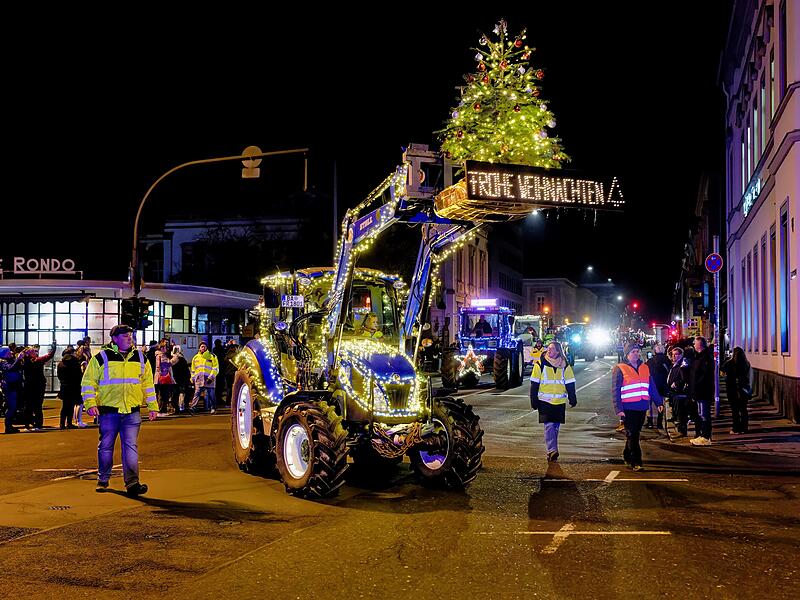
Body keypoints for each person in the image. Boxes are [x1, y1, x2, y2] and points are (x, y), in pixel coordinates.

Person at [81, 324, 158, 496]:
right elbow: (88, 382)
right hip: (109, 411)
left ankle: (132, 484)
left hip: (132, 410)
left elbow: (147, 384)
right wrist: (91, 404)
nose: (129, 338)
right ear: (114, 339)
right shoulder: (101, 357)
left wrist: (153, 406)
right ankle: (103, 479)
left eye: (130, 335)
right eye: (125, 336)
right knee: (106, 447)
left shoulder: (140, 357)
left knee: (131, 447)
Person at [611, 342, 664, 471]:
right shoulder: (620, 368)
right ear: (627, 355)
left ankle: (627, 455)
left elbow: (651, 386)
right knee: (633, 433)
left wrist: (658, 402)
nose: (636, 354)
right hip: (628, 407)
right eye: (633, 352)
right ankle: (636, 461)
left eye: (637, 351)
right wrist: (618, 409)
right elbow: (615, 390)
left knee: (633, 433)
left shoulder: (645, 367)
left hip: (642, 406)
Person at [529, 341, 577, 462]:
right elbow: (534, 384)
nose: (549, 351)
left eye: (552, 349)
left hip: (559, 401)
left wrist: (572, 397)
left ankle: (552, 450)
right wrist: (533, 400)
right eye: (548, 348)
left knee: (555, 427)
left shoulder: (565, 365)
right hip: (544, 401)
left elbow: (570, 383)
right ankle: (552, 450)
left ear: (558, 351)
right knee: (549, 426)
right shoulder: (540, 364)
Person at [22, 343, 56, 431]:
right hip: (37, 386)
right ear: (30, 354)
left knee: (30, 405)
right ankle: (36, 424)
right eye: (33, 351)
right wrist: (54, 347)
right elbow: (49, 356)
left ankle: (29, 424)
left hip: (30, 385)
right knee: (36, 405)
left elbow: (49, 356)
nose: (36, 352)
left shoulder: (25, 361)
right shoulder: (36, 360)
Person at [688, 336, 715, 446]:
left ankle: (706, 437)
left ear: (699, 345)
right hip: (700, 391)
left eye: (695, 343)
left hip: (703, 391)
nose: (694, 345)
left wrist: (696, 390)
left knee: (704, 415)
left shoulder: (705, 358)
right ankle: (703, 435)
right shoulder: (700, 357)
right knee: (701, 414)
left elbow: (703, 377)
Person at [721, 346, 751, 434]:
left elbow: (722, 371)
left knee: (735, 410)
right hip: (743, 389)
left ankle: (736, 428)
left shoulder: (729, 363)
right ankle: (744, 428)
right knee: (743, 409)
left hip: (732, 389)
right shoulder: (746, 364)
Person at [666, 345, 692, 437]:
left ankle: (682, 431)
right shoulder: (675, 364)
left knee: (681, 413)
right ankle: (680, 428)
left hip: (680, 393)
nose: (674, 356)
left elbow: (684, 378)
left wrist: (676, 384)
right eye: (673, 354)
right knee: (677, 411)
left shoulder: (682, 365)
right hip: (674, 393)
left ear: (681, 355)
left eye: (676, 354)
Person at [645, 342, 671, 429]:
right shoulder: (667, 361)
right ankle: (660, 422)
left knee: (650, 405)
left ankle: (650, 422)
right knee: (661, 404)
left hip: (651, 385)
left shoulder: (650, 361)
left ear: (654, 352)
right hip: (662, 386)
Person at [0, 346, 25, 434]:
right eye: (9, 352)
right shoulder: (3, 362)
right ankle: (8, 426)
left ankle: (10, 425)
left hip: (14, 386)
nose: (11, 353)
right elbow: (11, 368)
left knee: (13, 407)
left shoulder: (10, 360)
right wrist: (18, 359)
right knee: (11, 407)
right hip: (10, 387)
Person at [56, 347, 83, 429]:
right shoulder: (75, 363)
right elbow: (79, 376)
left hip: (64, 386)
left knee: (64, 406)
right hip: (74, 386)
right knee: (71, 406)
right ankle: (69, 423)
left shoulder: (61, 364)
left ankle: (62, 424)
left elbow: (59, 376)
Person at [191, 341, 219, 413]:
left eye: (204, 346)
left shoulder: (212, 356)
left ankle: (213, 408)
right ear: (199, 348)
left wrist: (211, 377)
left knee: (211, 394)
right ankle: (193, 407)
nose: (203, 348)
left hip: (209, 379)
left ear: (207, 347)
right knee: (196, 394)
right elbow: (193, 369)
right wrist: (192, 378)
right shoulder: (195, 357)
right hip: (199, 379)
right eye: (201, 346)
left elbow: (215, 368)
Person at [154, 338, 178, 414]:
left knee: (163, 394)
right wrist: (175, 357)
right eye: (164, 347)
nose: (165, 349)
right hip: (162, 377)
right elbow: (167, 364)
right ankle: (161, 410)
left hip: (162, 377)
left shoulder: (161, 355)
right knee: (163, 394)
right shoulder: (161, 355)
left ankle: (162, 409)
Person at [171, 345, 192, 412]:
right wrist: (188, 378)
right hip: (182, 379)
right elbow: (186, 370)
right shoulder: (182, 359)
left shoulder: (171, 359)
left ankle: (176, 407)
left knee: (175, 394)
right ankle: (183, 406)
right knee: (183, 393)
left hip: (174, 379)